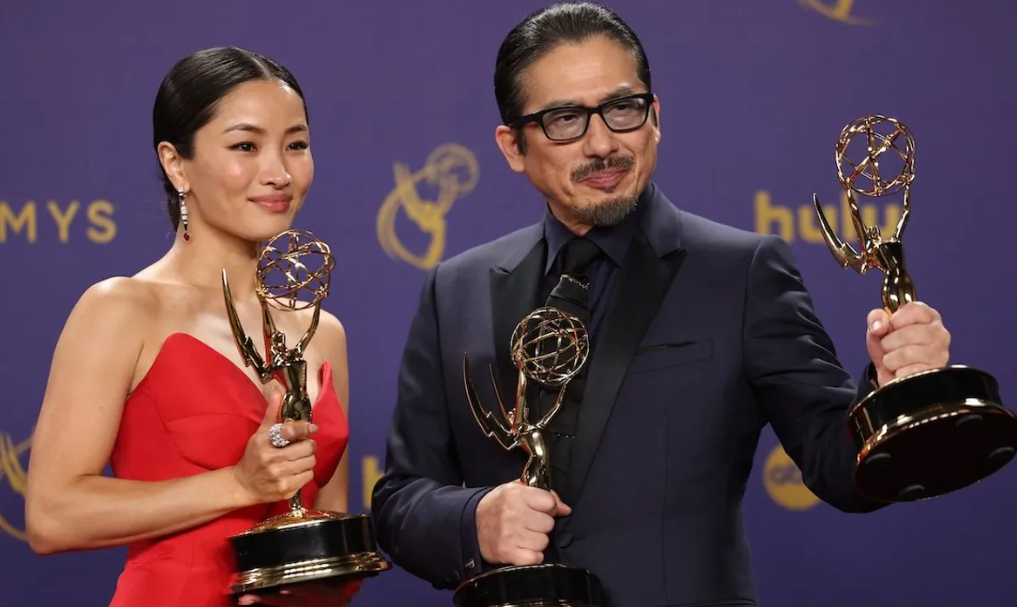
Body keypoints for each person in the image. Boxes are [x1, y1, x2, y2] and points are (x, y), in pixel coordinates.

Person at [370, 3, 953, 606]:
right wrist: (475, 520)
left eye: (622, 108)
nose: (602, 143)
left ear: (655, 119)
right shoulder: (455, 288)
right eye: (566, 119)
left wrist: (891, 394)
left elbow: (838, 466)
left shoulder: (742, 272)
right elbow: (399, 501)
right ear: (513, 145)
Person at [24, 47, 361, 607]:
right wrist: (238, 485)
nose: (278, 173)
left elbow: (324, 534)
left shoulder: (322, 331)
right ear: (175, 163)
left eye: (296, 145)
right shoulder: (122, 308)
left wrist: (309, 592)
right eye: (245, 146)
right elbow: (52, 515)